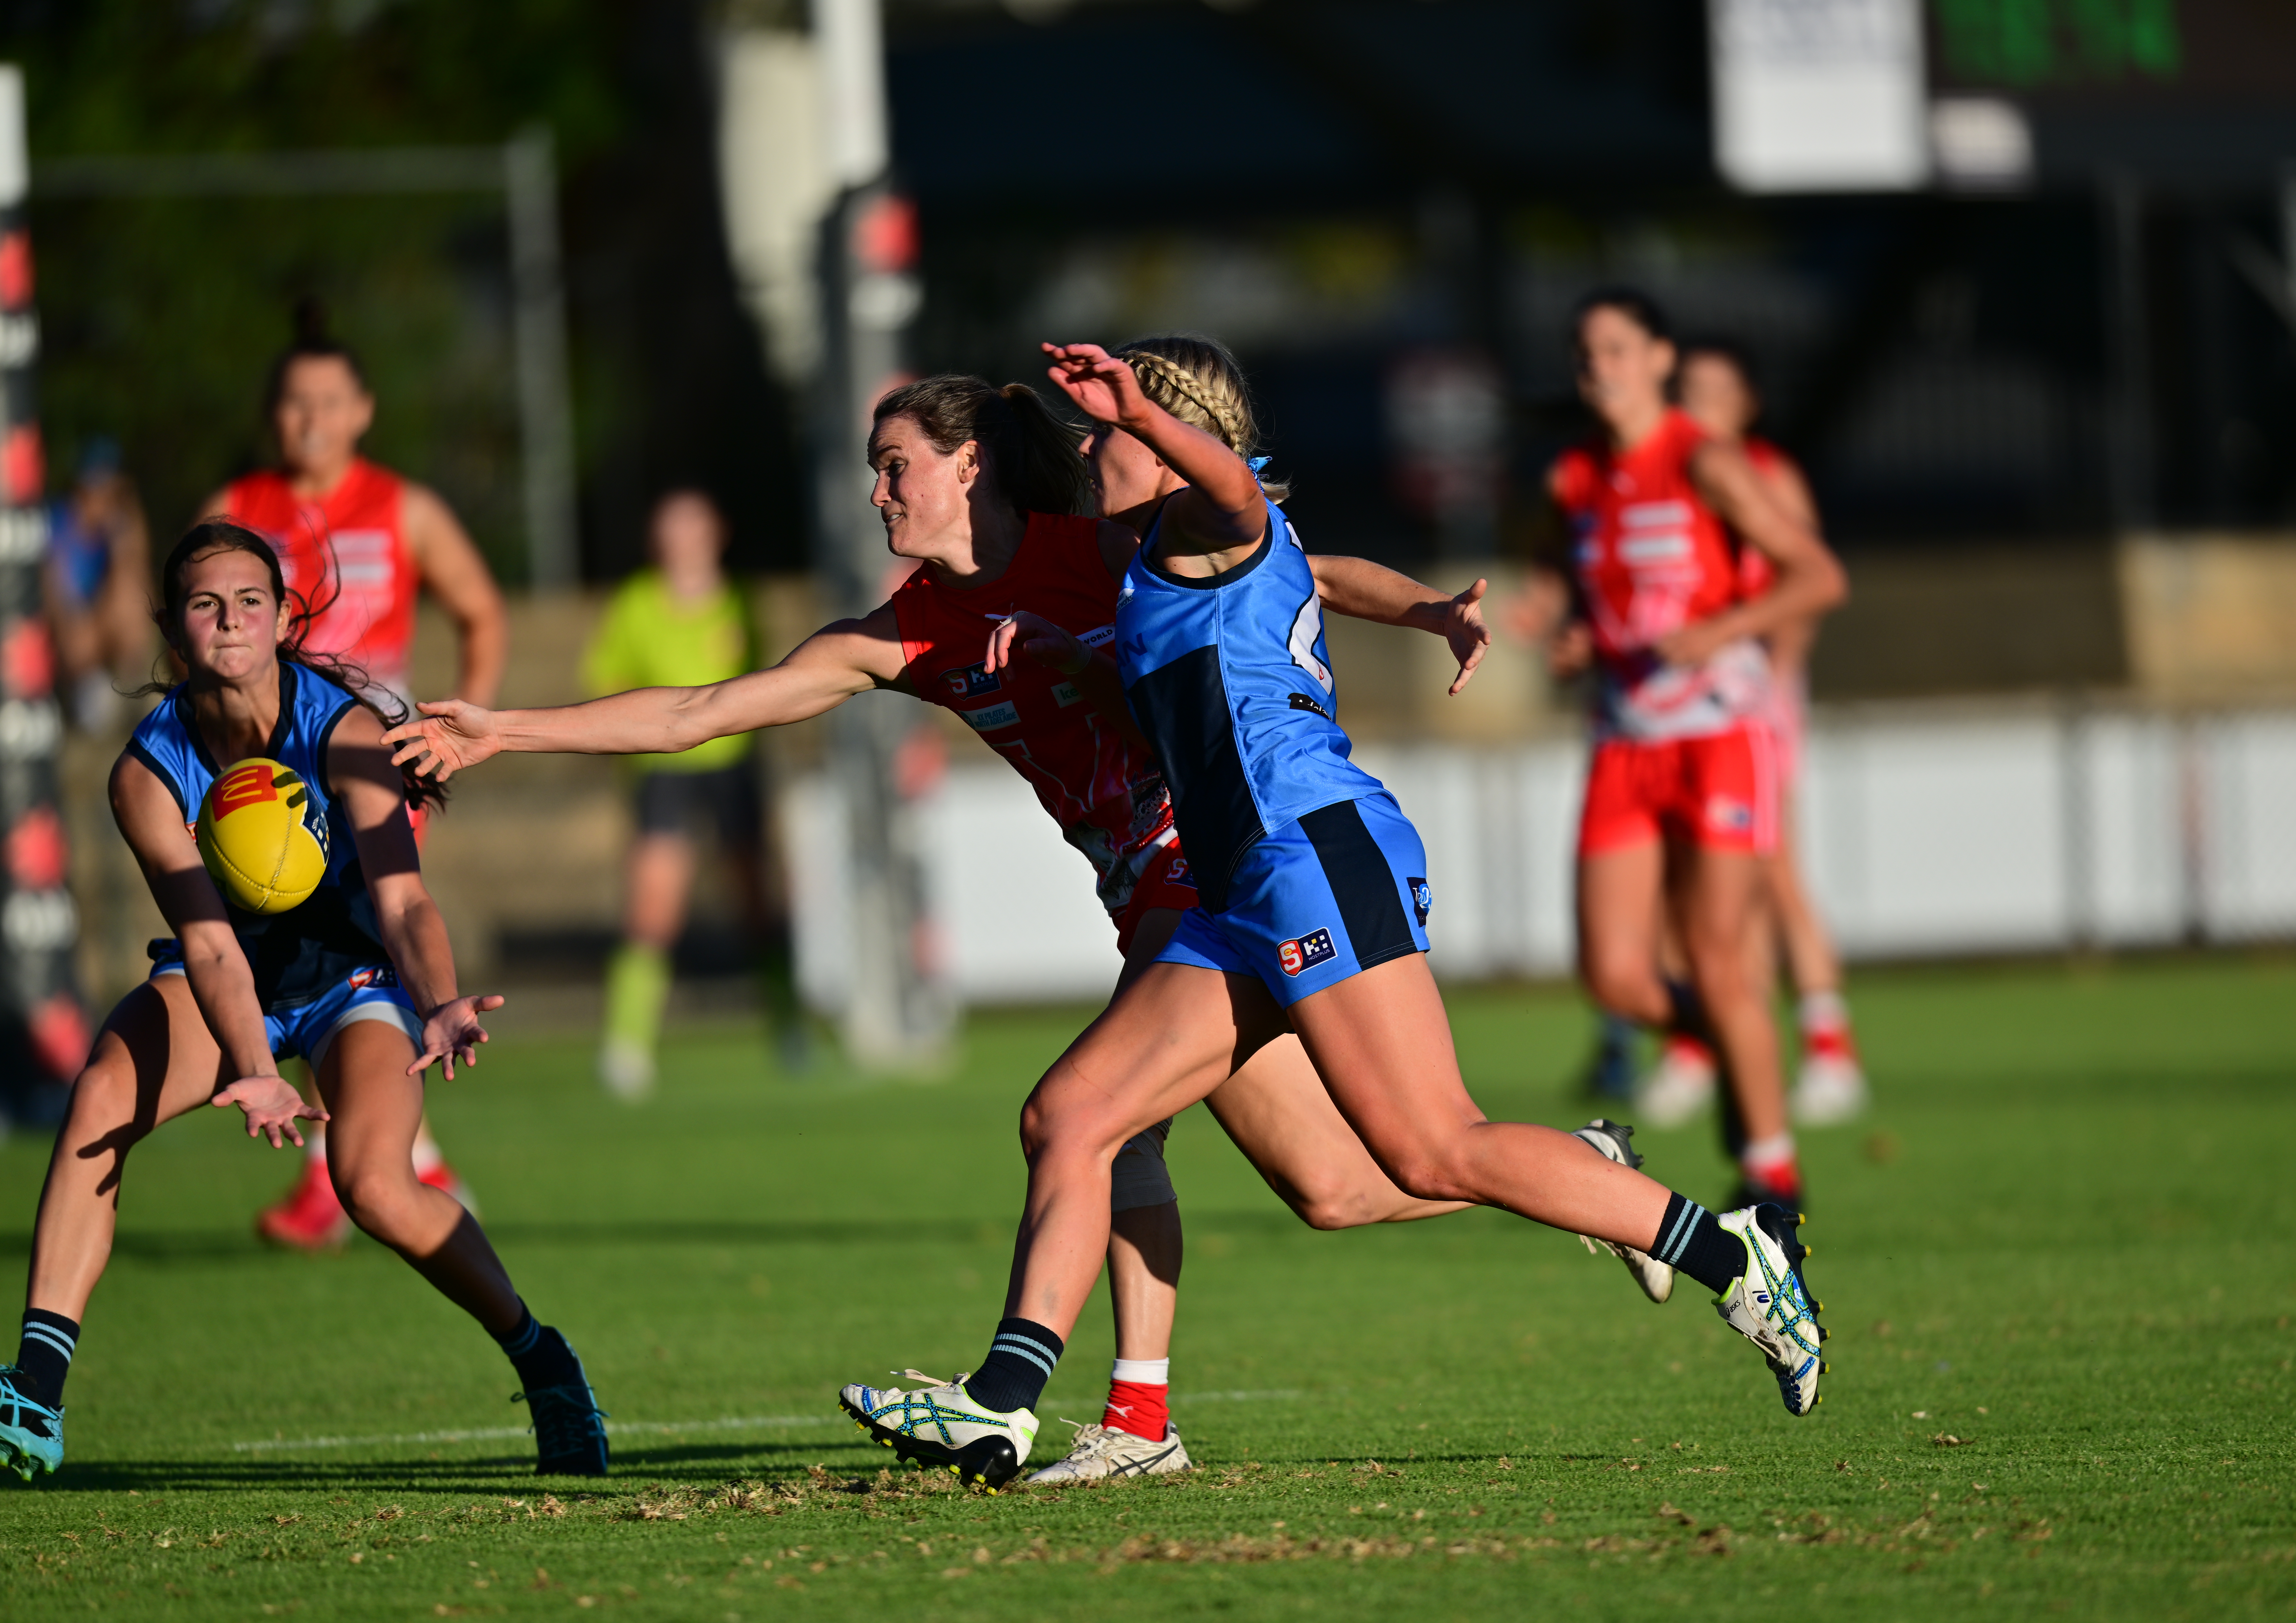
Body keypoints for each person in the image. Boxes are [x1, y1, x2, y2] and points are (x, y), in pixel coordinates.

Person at [384, 349, 1639, 1486]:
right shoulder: (908, 634)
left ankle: (1064, 1407)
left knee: (1088, 1120)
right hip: (1155, 896)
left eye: (895, 468)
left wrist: (1425, 608)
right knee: (1329, 1186)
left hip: (1215, 874)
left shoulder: (1088, 545)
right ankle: (1583, 1176)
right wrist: (510, 728)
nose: (877, 494)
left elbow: (1284, 559)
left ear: (968, 466)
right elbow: (698, 710)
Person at [827, 340, 1826, 1490]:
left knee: (1431, 1145)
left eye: (1108, 432)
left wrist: (1143, 409)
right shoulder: (1147, 557)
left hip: (1309, 853)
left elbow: (1244, 498)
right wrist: (1065, 653)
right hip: (1237, 885)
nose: (1087, 445)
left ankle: (1727, 1245)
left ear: (1165, 441)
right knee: (1079, 1114)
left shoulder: (1213, 525)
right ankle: (1001, 1403)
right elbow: (1207, 667)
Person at [0, 522, 606, 1483]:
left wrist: (441, 1004)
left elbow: (404, 900)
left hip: (349, 980)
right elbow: (208, 945)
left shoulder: (347, 731)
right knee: (100, 1099)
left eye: (250, 600)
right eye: (205, 604)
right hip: (222, 976)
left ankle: (543, 1359)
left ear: (285, 615)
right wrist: (251, 1068)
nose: (230, 621)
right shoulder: (146, 774)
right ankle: (33, 1390)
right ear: (172, 628)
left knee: (372, 1185)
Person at [202, 308, 507, 1249]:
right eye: (296, 404)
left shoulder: (403, 506)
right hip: (263, 785)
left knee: (357, 949)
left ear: (363, 410)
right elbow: (189, 630)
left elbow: (481, 611)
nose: (313, 419)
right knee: (294, 958)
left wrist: (450, 733)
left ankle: (354, 1170)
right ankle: (404, 1166)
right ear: (275, 415)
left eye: (331, 402)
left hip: (371, 770)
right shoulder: (239, 506)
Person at [1539, 289, 1847, 1212]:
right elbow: (1605, 602)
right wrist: (1576, 638)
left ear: (1658, 358)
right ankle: (1741, 1043)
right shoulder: (1574, 478)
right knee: (1613, 973)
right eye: (1585, 351)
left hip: (1719, 732)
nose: (1600, 366)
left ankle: (1769, 1169)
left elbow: (1818, 575)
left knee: (1718, 954)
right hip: (1624, 740)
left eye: (1619, 348)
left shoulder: (1705, 460)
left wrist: (1726, 631)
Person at [1675, 338, 1867, 1126]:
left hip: (1750, 700)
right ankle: (1725, 1043)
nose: (1698, 403)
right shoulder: (1676, 473)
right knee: (1706, 894)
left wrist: (1774, 681)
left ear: (1748, 403)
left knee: (1775, 870)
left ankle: (1830, 1047)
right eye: (1689, 389)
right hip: (1685, 709)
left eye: (1716, 390)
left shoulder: (1764, 473)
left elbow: (1807, 583)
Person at [583, 489, 784, 1098]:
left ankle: (789, 1024)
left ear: (716, 533)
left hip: (734, 767)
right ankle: (627, 1044)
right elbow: (606, 679)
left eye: (693, 526)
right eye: (670, 527)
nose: (682, 539)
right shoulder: (637, 603)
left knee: (758, 903)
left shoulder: (740, 601)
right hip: (663, 770)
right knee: (653, 908)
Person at [45, 438, 154, 735]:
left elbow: (141, 580)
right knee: (76, 631)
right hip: (70, 636)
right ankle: (83, 690)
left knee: (131, 592)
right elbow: (57, 597)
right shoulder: (59, 523)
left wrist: (122, 543)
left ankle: (133, 686)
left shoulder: (117, 527)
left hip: (101, 626)